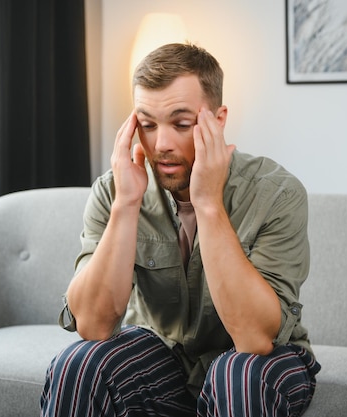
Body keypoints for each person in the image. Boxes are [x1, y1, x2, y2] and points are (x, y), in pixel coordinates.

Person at [40, 42, 320, 417]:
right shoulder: (113, 191)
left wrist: (207, 203)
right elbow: (92, 324)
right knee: (79, 362)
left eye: (181, 124)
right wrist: (126, 203)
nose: (162, 144)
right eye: (148, 125)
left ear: (217, 121)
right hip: (162, 357)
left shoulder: (277, 193)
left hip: (261, 363)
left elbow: (254, 338)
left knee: (237, 373)